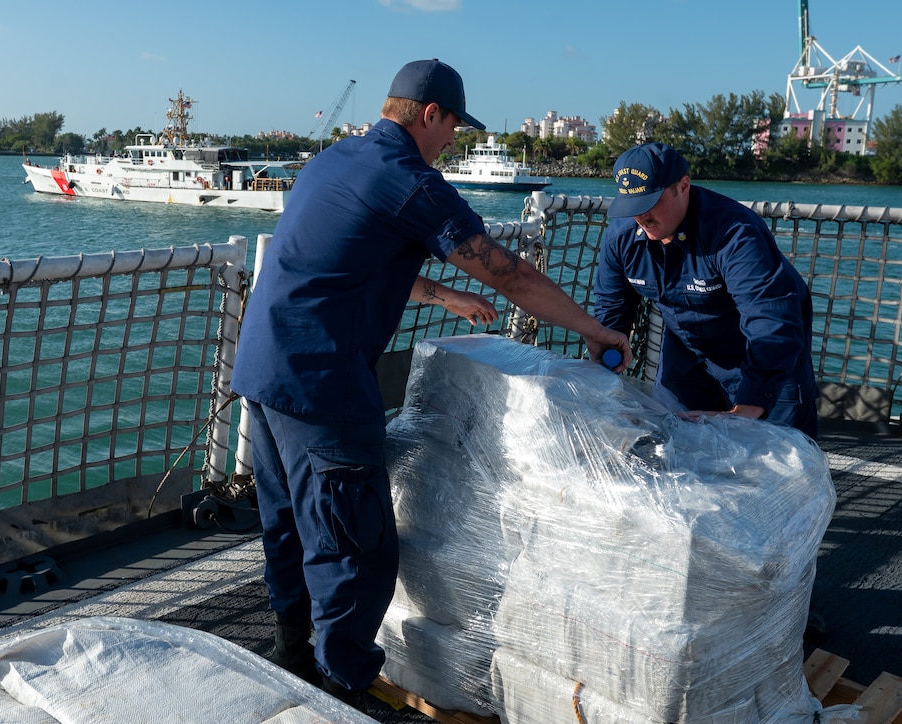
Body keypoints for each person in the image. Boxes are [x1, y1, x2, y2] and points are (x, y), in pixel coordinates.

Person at [230, 58, 631, 710]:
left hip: (264, 371)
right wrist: (594, 330)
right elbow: (510, 275)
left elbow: (351, 262)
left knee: (292, 528)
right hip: (322, 384)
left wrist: (441, 295)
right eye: (454, 130)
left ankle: (294, 659)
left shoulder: (335, 160)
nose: (454, 143)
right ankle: (345, 692)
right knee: (355, 548)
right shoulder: (412, 182)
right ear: (429, 114)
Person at [593, 142, 818, 439]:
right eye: (632, 207)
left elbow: (770, 316)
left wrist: (748, 407)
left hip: (763, 357)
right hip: (686, 357)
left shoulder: (735, 234)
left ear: (683, 186)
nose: (641, 217)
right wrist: (602, 374)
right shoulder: (620, 238)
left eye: (650, 203)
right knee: (673, 447)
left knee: (780, 463)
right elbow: (611, 311)